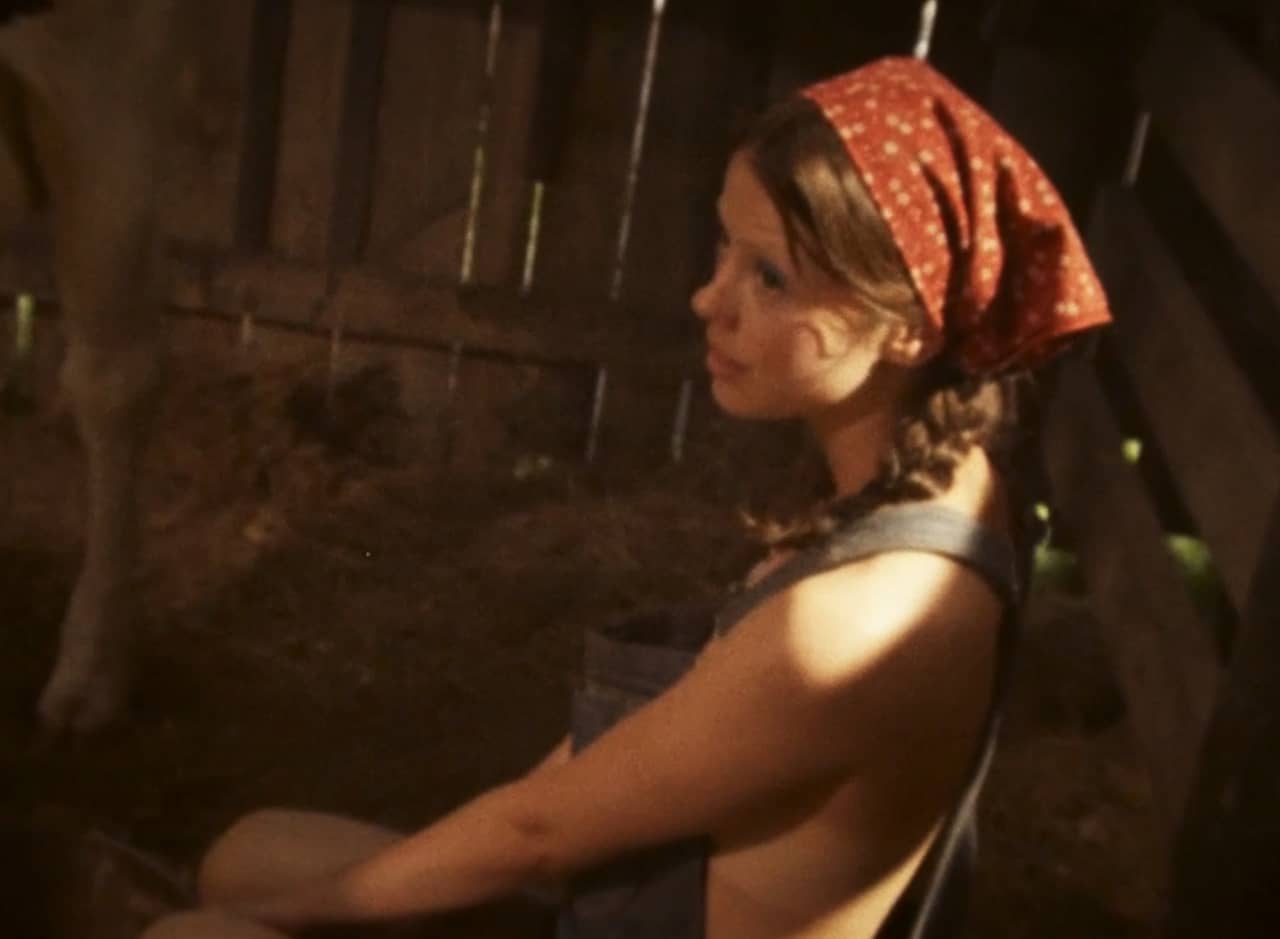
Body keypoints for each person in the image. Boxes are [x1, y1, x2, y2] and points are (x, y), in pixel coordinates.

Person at [142, 56, 1110, 939]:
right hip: (639, 901)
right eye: (723, 250)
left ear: (905, 329)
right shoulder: (932, 474)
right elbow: (558, 806)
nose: (708, 298)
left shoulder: (853, 624)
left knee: (196, 935)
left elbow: (534, 834)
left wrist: (291, 920)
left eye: (768, 277)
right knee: (250, 848)